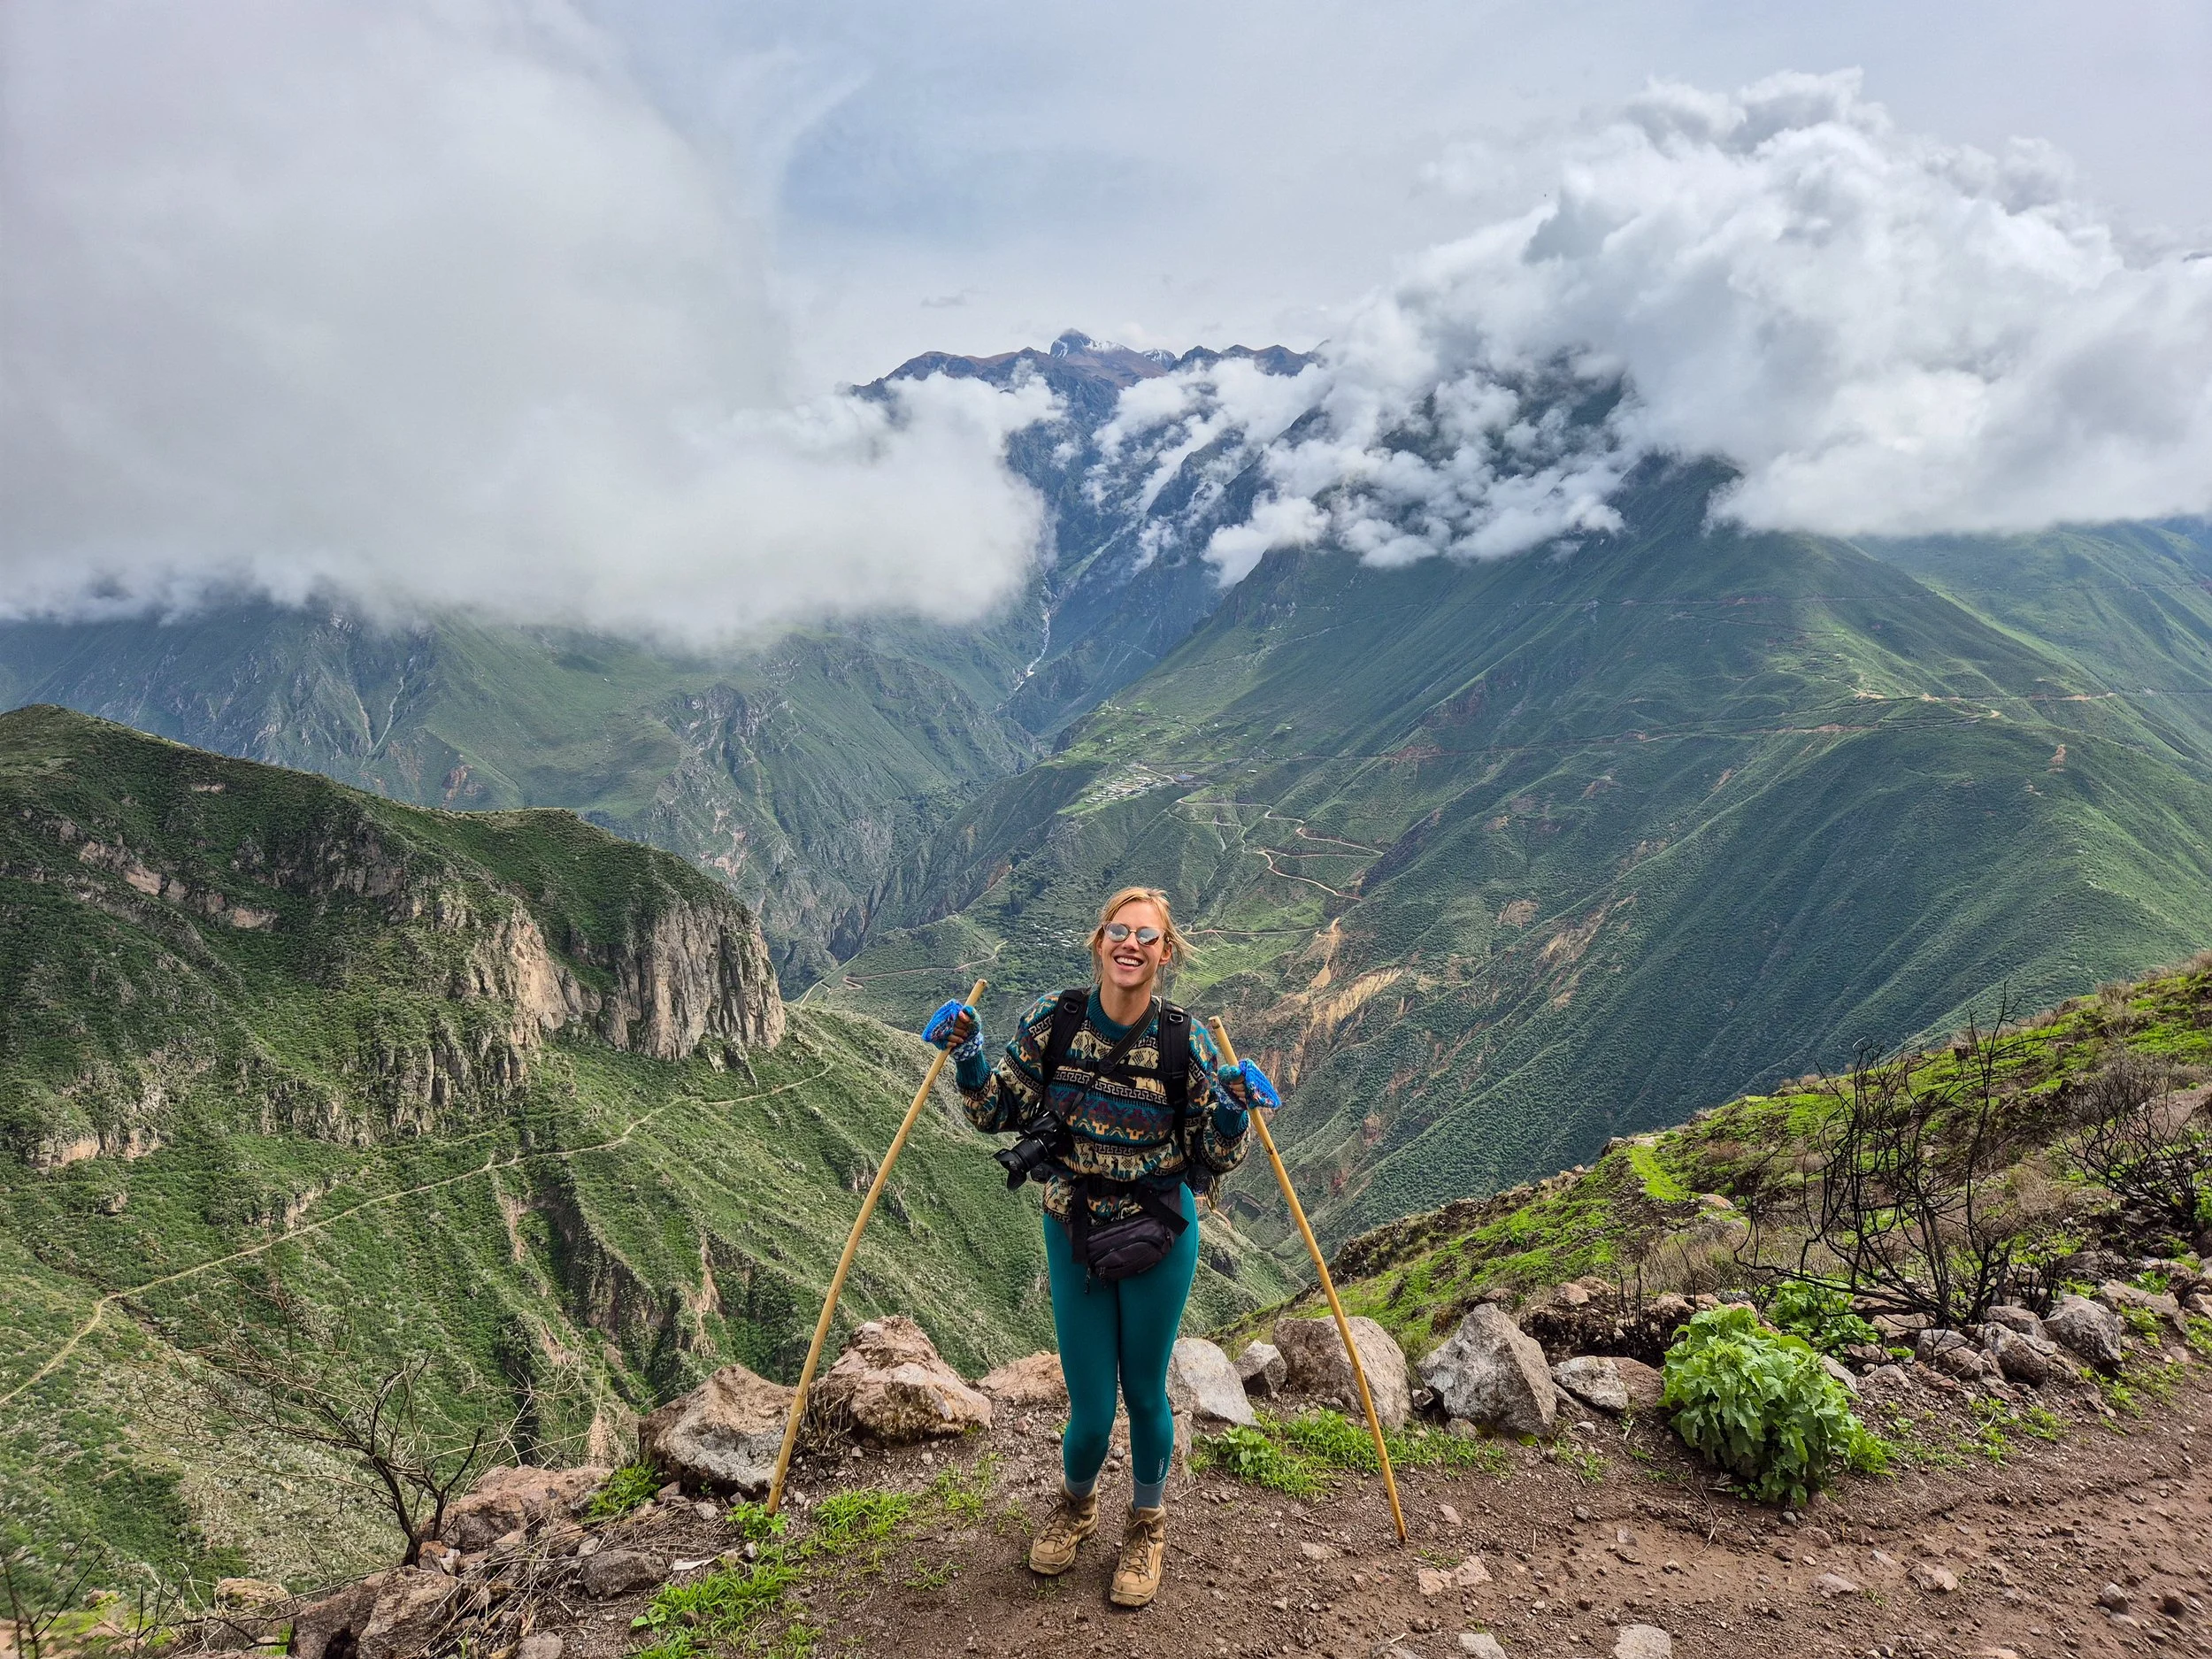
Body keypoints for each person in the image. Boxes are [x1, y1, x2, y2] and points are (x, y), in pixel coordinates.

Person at [921, 886, 1281, 1609]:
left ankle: (1147, 1523)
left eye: (1147, 936)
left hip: (1159, 1229)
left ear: (1164, 952)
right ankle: (1077, 1505)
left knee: (1145, 1392)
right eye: (1119, 931)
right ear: (1099, 942)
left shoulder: (1186, 1042)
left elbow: (1213, 1148)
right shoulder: (1053, 1022)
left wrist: (1235, 1112)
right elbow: (998, 1109)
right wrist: (969, 1056)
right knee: (1089, 1408)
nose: (1131, 945)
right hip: (1075, 1227)